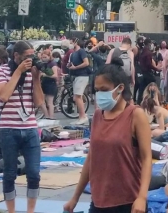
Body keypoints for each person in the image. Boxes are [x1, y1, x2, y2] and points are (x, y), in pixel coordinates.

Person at [65, 64, 153, 213]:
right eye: (97, 90)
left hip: (128, 201)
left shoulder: (135, 115)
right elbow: (91, 158)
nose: (100, 94)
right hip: (99, 200)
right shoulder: (98, 116)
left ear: (120, 88)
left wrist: (142, 197)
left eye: (104, 90)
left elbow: (146, 158)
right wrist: (75, 197)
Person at [0, 41, 44, 213]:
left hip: (30, 128)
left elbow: (38, 102)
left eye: (32, 56)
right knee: (9, 173)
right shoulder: (1, 71)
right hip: (8, 129)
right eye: (26, 57)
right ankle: (11, 211)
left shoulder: (32, 73)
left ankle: (31, 210)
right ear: (16, 56)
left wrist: (36, 78)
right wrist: (18, 72)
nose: (30, 60)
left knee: (34, 173)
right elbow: (4, 95)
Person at [67, 40, 92, 125]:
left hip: (82, 76)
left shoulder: (81, 51)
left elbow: (86, 63)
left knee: (78, 97)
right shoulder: (73, 53)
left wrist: (76, 67)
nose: (69, 44)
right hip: (76, 76)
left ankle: (83, 117)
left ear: (75, 42)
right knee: (76, 98)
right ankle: (81, 116)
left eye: (71, 42)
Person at [38, 48, 59, 119]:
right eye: (42, 57)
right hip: (44, 83)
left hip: (51, 84)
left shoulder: (53, 64)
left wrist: (45, 75)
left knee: (50, 102)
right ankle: (47, 115)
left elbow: (55, 75)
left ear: (49, 56)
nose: (44, 59)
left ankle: (51, 116)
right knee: (41, 101)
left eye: (45, 57)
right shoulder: (43, 64)